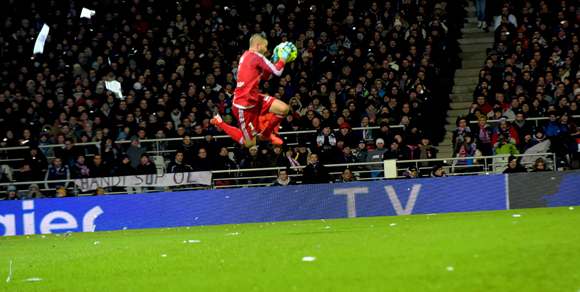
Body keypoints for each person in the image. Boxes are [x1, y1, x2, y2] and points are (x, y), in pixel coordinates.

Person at [211, 34, 293, 147]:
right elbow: (278, 72)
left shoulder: (248, 56)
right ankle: (219, 122)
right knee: (250, 143)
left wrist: (273, 61)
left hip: (254, 98)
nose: (266, 49)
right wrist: (284, 55)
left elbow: (267, 77)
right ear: (258, 46)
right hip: (244, 106)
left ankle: (266, 133)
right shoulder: (255, 56)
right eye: (265, 46)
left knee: (284, 109)